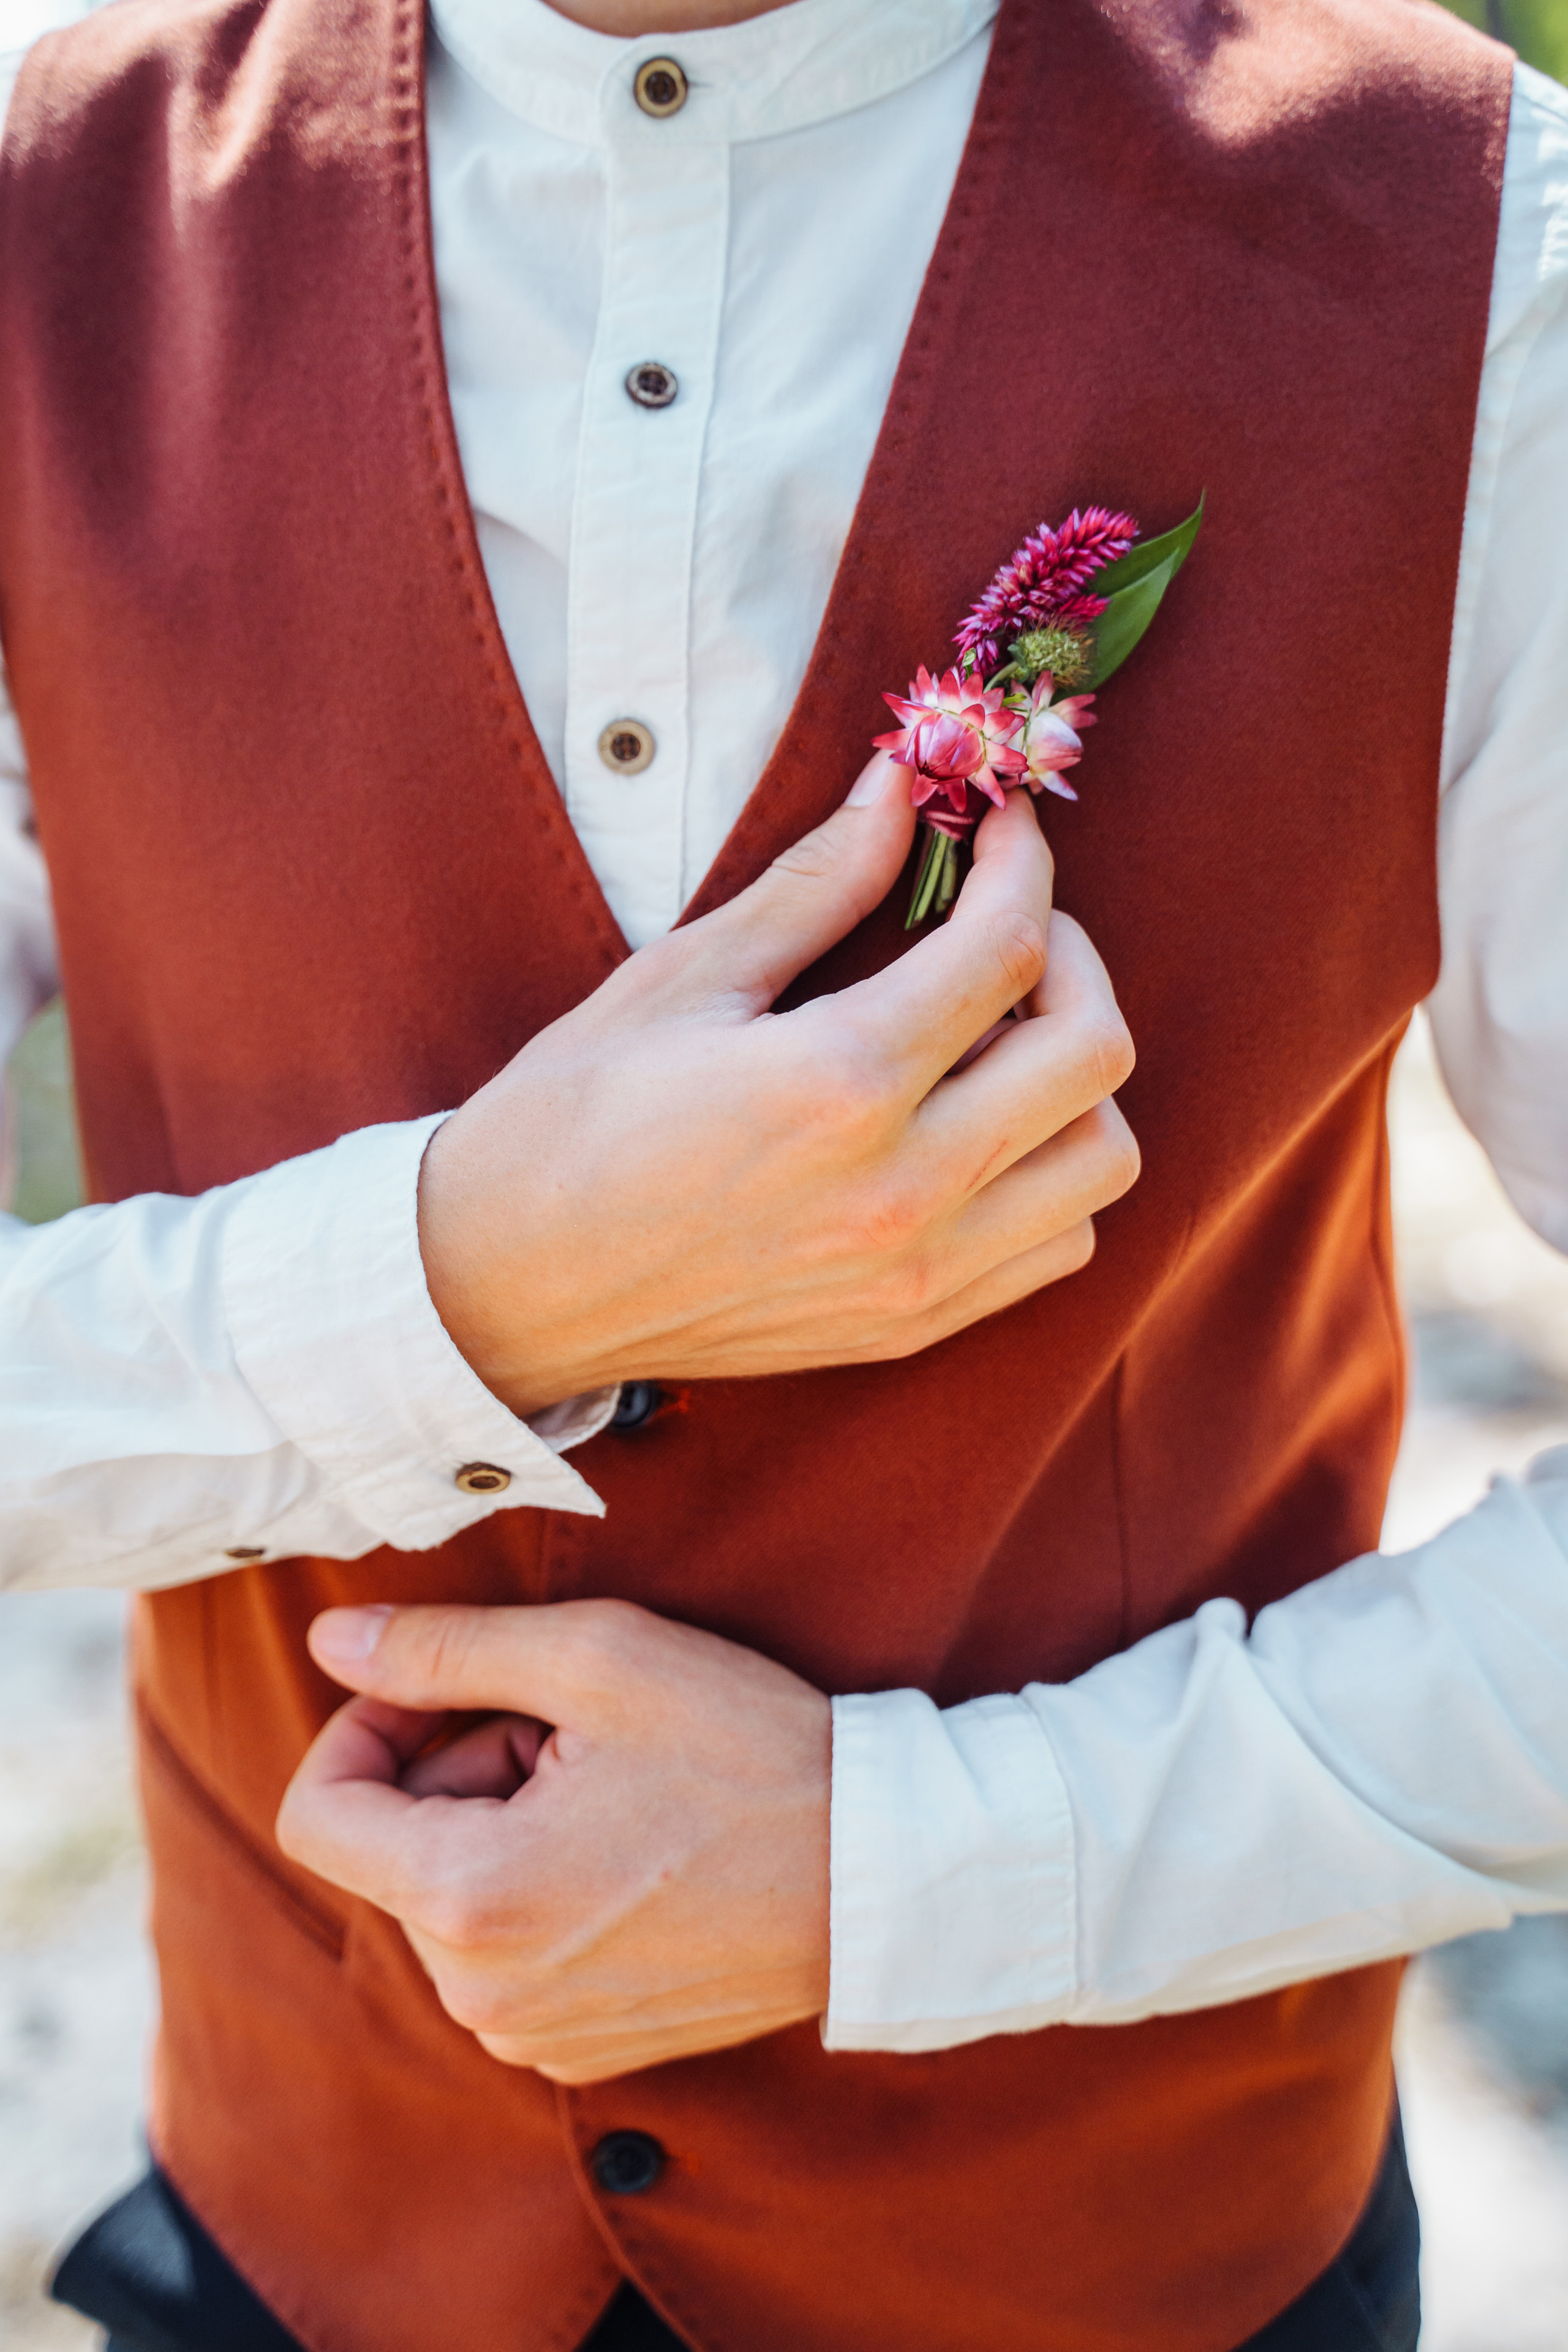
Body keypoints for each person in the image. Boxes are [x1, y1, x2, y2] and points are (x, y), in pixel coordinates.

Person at [2, 0, 1567, 2344]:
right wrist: (460, 1289)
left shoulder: (1481, 249)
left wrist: (927, 1868)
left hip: (1141, 2261)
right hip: (301, 2231)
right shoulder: (48, 196)